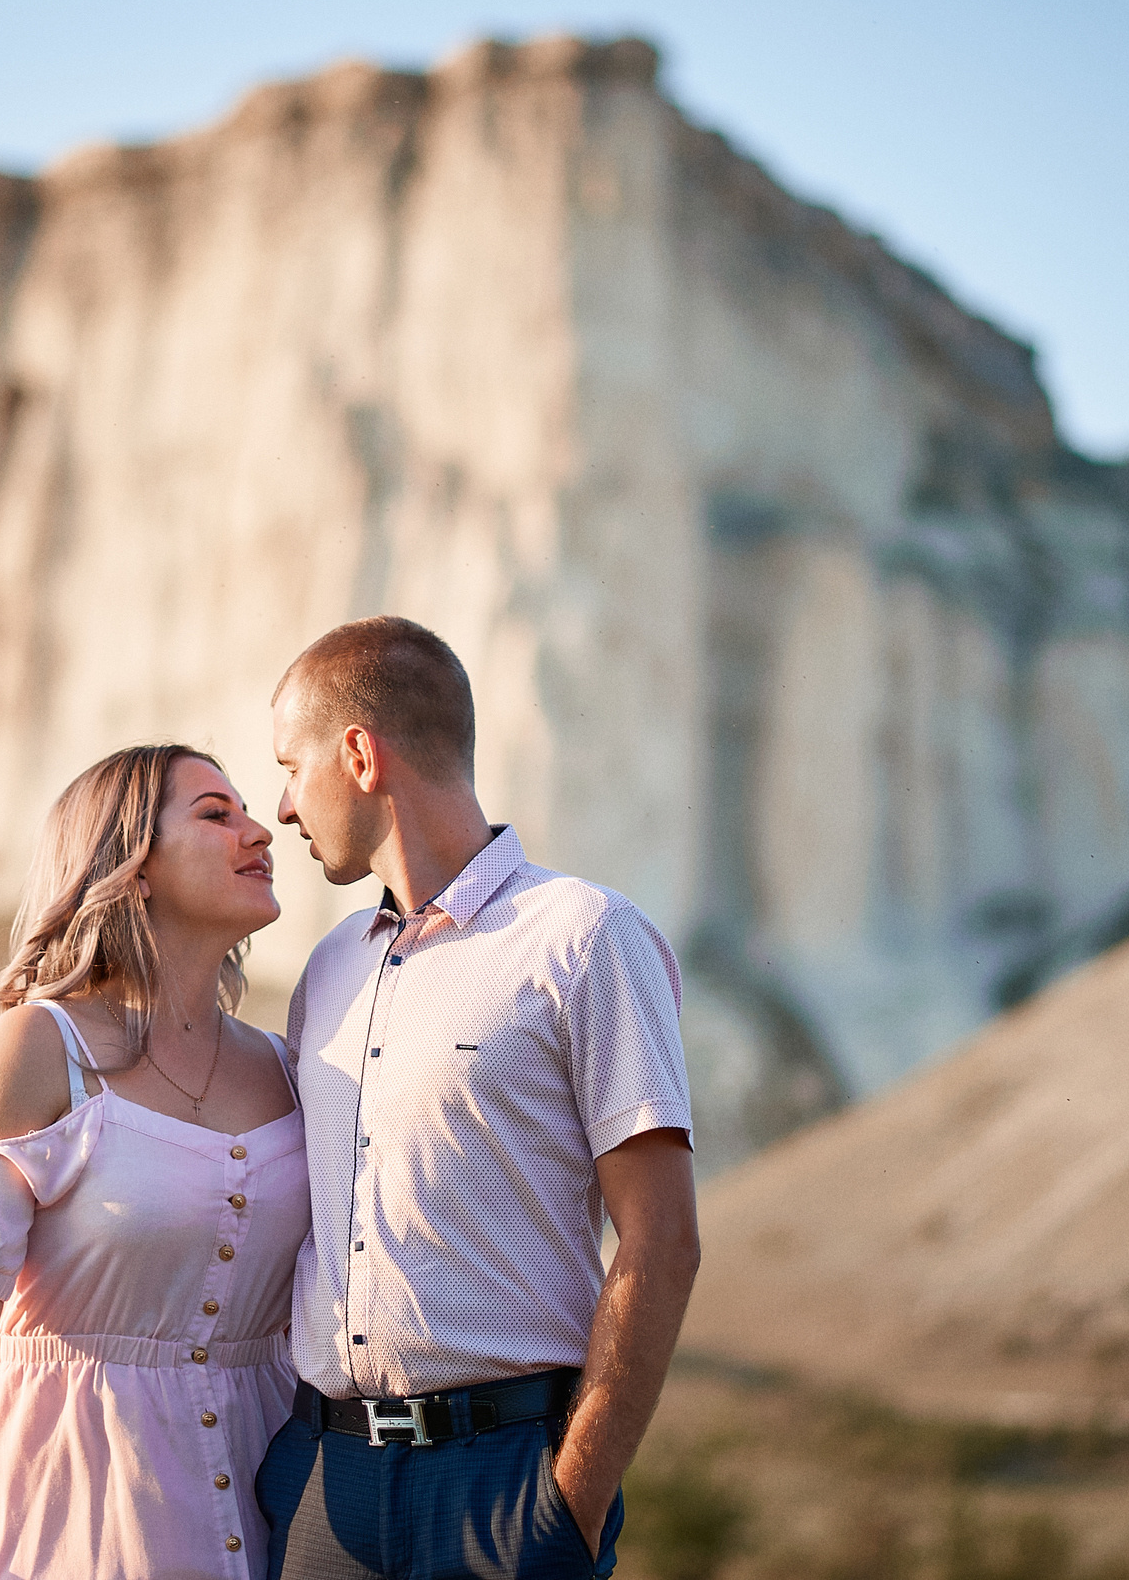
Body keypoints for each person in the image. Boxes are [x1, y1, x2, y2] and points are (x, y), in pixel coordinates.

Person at [255, 617, 699, 1580]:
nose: (283, 807)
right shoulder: (327, 971)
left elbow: (663, 1238)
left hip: (500, 1491)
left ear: (360, 754)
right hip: (323, 1486)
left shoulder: (585, 938)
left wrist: (567, 1502)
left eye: (293, 767)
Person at [0, 743, 308, 1580]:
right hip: (77, 1515)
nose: (259, 831)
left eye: (247, 810)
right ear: (133, 865)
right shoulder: (36, 1049)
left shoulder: (287, 1065)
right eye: (215, 814)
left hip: (275, 1514)